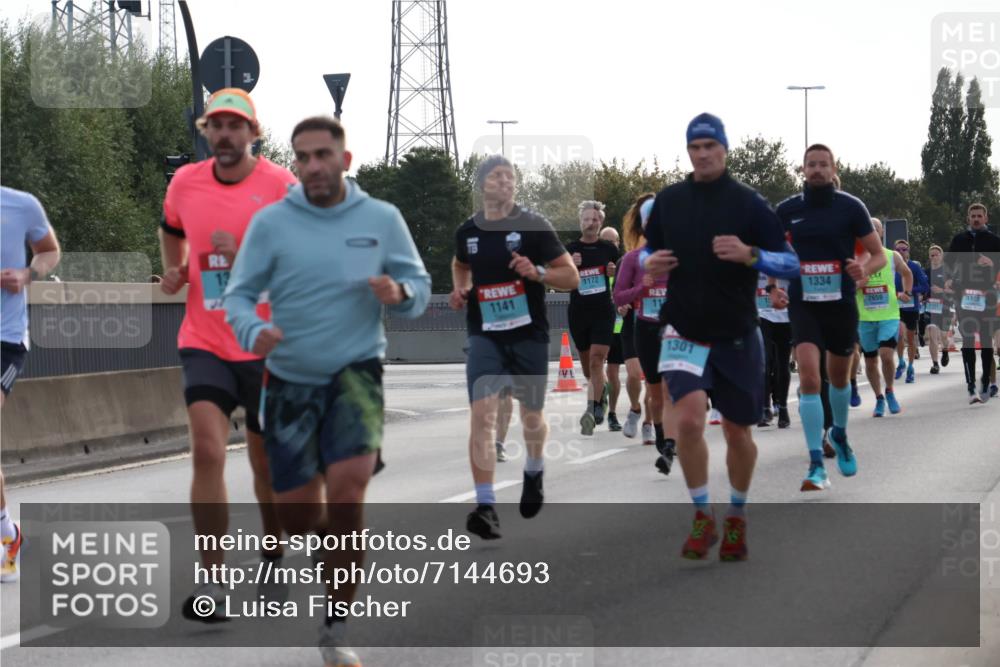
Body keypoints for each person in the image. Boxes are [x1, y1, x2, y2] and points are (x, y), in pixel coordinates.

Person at [224, 115, 430, 667]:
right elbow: (238, 297)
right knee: (298, 518)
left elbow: (421, 286)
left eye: (323, 155)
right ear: (295, 163)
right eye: (303, 157)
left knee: (347, 494)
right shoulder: (271, 224)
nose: (313, 165)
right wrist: (252, 330)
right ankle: (324, 541)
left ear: (345, 159)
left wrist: (399, 290)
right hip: (289, 378)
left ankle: (335, 630)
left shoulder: (380, 219)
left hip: (355, 374)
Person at [158, 89, 296, 621]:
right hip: (205, 340)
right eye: (216, 124)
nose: (225, 134)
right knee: (208, 452)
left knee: (263, 461)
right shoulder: (185, 183)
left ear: (253, 134)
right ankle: (213, 582)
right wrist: (178, 268)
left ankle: (274, 543)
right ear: (206, 131)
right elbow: (172, 233)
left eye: (235, 125)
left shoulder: (281, 187)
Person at [644, 113, 796, 560]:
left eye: (711, 145)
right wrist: (652, 262)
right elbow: (650, 249)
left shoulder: (748, 204)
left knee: (736, 432)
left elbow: (790, 264)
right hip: (683, 329)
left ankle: (736, 515)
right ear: (688, 152)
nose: (703, 153)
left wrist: (752, 255)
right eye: (695, 147)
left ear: (724, 149)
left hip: (735, 333)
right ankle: (700, 515)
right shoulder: (669, 201)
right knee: (689, 421)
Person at [450, 155, 578, 540]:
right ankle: (485, 505)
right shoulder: (467, 231)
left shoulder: (534, 226)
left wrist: (537, 272)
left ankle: (534, 470)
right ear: (483, 185)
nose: (505, 182)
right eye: (497, 177)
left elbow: (570, 277)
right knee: (482, 416)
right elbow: (459, 264)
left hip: (528, 335)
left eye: (510, 177)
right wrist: (462, 287)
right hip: (485, 334)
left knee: (532, 416)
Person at [774, 144, 885, 492]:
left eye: (823, 164)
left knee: (838, 380)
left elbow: (879, 255)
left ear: (833, 167)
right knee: (808, 376)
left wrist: (861, 268)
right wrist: (774, 288)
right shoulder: (788, 210)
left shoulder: (850, 207)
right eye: (811, 164)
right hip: (803, 302)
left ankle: (840, 433)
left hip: (840, 304)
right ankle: (815, 464)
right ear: (803, 169)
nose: (817, 170)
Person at [1, 186, 61, 583]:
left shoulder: (20, 205)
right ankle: (8, 533)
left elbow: (49, 251)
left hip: (4, 338)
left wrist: (27, 273)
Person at [614, 195, 676, 474]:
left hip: (675, 329)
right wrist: (642, 288)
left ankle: (670, 445)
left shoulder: (677, 254)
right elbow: (618, 296)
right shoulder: (632, 259)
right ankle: (661, 436)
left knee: (668, 388)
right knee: (655, 390)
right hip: (646, 327)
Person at [567, 201, 620, 435]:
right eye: (587, 218)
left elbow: (621, 280)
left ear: (600, 222)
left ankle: (593, 409)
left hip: (603, 311)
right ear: (581, 221)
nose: (591, 222)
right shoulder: (569, 249)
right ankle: (601, 393)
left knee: (598, 361)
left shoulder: (610, 249)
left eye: (596, 219)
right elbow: (558, 282)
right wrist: (571, 267)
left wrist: (613, 273)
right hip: (579, 313)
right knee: (589, 369)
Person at [856, 219, 913, 417]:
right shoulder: (856, 257)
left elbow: (907, 273)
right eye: (868, 228)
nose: (871, 231)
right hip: (864, 317)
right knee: (870, 362)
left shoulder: (892, 255)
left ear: (880, 233)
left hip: (888, 315)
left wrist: (907, 291)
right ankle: (879, 398)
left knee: (886, 355)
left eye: (875, 228)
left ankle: (889, 391)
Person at [945, 203, 1000, 404]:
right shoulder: (960, 240)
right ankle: (970, 387)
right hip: (965, 297)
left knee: (985, 341)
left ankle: (985, 383)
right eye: (973, 216)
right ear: (968, 219)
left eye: (979, 216)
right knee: (968, 341)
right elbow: (948, 265)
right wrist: (949, 279)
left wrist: (993, 264)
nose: (976, 219)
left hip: (987, 297)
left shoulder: (994, 241)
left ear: (986, 218)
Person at [757, 271, 792, 428]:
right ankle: (765, 408)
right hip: (762, 316)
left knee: (782, 365)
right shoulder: (753, 254)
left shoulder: (787, 253)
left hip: (786, 317)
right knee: (765, 361)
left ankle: (783, 407)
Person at [600, 225, 626, 431]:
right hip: (596, 325)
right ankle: (598, 401)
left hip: (618, 325)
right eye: (606, 241)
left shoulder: (626, 264)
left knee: (613, 371)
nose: (610, 245)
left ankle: (612, 414)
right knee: (596, 371)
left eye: (614, 241)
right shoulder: (591, 263)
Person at [892, 239, 929, 384]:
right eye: (898, 250)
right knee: (899, 335)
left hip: (911, 307)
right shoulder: (891, 267)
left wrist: (909, 292)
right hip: (896, 306)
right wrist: (898, 294)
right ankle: (901, 362)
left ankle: (911, 367)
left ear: (908, 251)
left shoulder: (914, 266)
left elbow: (924, 286)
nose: (901, 252)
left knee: (911, 338)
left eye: (904, 249)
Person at [925, 244, 954, 374]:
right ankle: (935, 364)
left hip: (946, 306)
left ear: (942, 256)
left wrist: (942, 290)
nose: (935, 257)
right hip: (931, 306)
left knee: (943, 336)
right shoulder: (926, 272)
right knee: (932, 335)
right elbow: (921, 286)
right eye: (932, 255)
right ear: (929, 257)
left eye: (937, 254)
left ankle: (945, 350)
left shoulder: (948, 271)